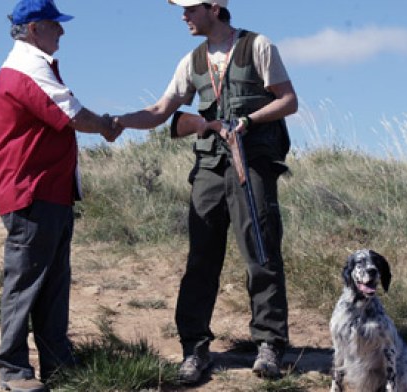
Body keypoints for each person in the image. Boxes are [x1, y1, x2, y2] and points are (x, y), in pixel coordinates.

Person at [115, 0, 298, 384]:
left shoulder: (258, 46)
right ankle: (194, 349)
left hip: (253, 166)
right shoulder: (192, 60)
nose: (184, 16)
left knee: (261, 253)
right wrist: (117, 122)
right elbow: (162, 109)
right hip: (209, 169)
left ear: (214, 8)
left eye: (190, 9)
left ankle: (269, 344)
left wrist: (247, 121)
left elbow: (288, 101)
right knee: (200, 261)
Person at [0, 1, 122, 391]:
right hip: (32, 192)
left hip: (48, 193)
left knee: (51, 283)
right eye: (54, 26)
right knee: (27, 283)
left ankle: (57, 364)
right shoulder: (27, 68)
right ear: (33, 29)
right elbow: (73, 115)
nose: (61, 32)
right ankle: (13, 370)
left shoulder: (33, 65)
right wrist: (108, 126)